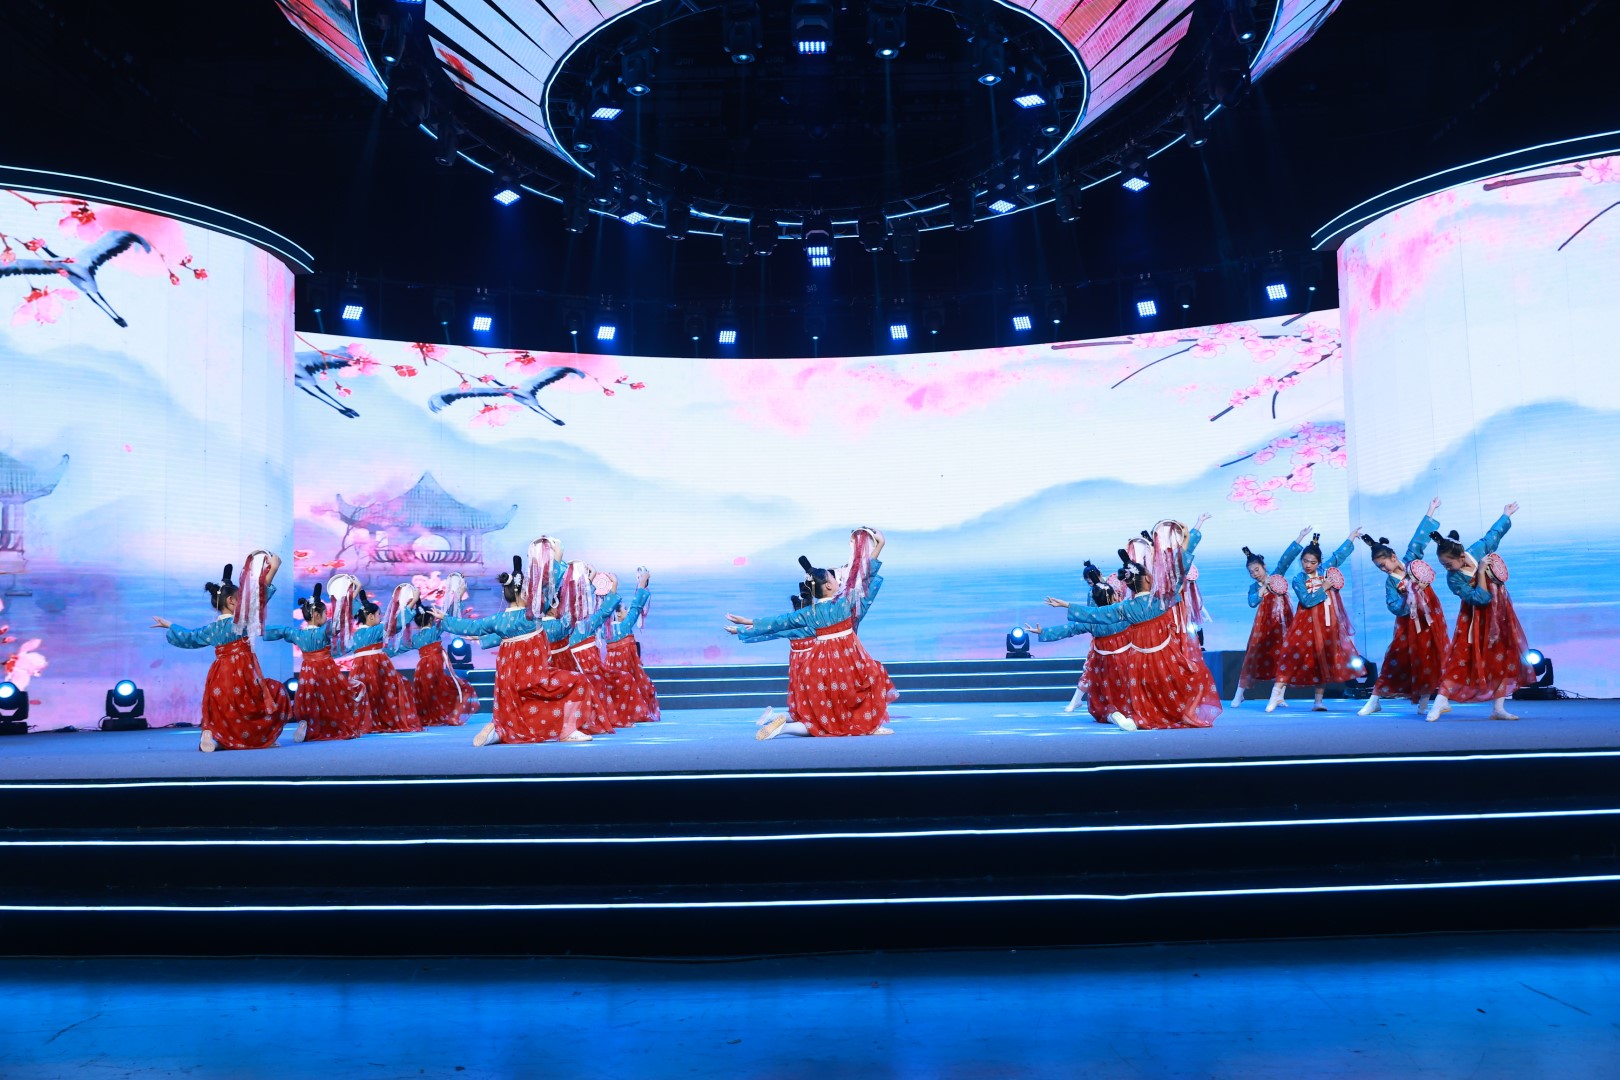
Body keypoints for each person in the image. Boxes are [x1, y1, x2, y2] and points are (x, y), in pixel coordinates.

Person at [1028, 541, 1220, 731]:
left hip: (1136, 661)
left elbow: (1090, 617)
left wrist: (1065, 607)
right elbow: (1178, 575)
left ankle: (1134, 716)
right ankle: (1167, 713)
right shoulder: (1160, 601)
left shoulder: (1124, 609)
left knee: (1137, 693)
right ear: (1147, 579)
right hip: (1162, 655)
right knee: (1172, 685)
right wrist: (1190, 540)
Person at [726, 529, 891, 740]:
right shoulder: (844, 602)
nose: (838, 579)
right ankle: (867, 725)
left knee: (821, 719)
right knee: (872, 678)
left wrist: (746, 623)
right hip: (846, 662)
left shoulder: (809, 613)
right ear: (829, 585)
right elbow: (863, 576)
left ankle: (783, 727)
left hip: (818, 666)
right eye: (834, 577)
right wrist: (879, 546)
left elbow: (778, 623)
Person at [437, 540, 599, 745]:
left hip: (510, 682)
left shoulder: (500, 620)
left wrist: (446, 619)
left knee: (521, 708)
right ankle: (568, 730)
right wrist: (557, 557)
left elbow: (470, 627)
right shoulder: (532, 615)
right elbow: (549, 586)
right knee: (578, 681)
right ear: (524, 594)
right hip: (536, 677)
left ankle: (499, 730)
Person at [151, 553, 291, 752]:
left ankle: (213, 735)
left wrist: (169, 625)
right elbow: (259, 597)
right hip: (242, 673)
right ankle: (261, 737)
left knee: (226, 709)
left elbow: (190, 637)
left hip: (219, 676)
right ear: (232, 601)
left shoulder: (212, 629)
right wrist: (273, 569)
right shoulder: (240, 621)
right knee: (266, 697)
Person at [1426, 503, 1533, 722]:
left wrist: (1505, 515)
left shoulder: (1477, 551)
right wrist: (1482, 572)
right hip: (1473, 620)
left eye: (1448, 563)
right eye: (1443, 565)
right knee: (1460, 658)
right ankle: (1440, 701)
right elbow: (1481, 598)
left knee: (1502, 656)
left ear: (1461, 555)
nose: (1446, 568)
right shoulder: (1454, 579)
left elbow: (1493, 535)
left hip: (1499, 614)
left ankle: (1498, 708)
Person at [1357, 498, 1450, 716]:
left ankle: (1425, 703)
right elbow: (1393, 606)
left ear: (1393, 557)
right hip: (1407, 625)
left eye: (1383, 564)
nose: (1383, 569)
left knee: (1430, 657)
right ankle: (1375, 699)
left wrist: (1431, 510)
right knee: (1394, 659)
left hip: (1430, 618)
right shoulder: (1391, 582)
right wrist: (1408, 597)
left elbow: (1419, 539)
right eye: (1379, 567)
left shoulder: (1411, 562)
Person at [1267, 528, 1363, 713]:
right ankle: (1276, 695)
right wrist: (1324, 588)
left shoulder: (1325, 572)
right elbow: (1307, 601)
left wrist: (1351, 537)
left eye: (1312, 562)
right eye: (1305, 561)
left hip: (1326, 623)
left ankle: (1318, 701)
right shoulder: (1298, 579)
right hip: (1304, 623)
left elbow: (1338, 556)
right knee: (1290, 655)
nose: (1308, 565)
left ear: (1319, 562)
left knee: (1322, 659)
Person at [263, 582, 370, 742]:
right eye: (325, 613)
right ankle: (333, 725)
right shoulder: (324, 631)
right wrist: (352, 594)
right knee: (336, 696)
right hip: (326, 671)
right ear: (317, 615)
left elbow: (279, 631)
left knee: (310, 699)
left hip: (308, 673)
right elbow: (342, 617)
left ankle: (305, 722)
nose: (327, 616)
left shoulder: (296, 633)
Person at [1232, 526, 1311, 707]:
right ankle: (1239, 694)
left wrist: (1300, 536)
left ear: (1264, 567)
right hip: (1263, 627)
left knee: (1284, 656)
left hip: (1283, 624)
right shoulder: (1254, 587)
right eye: (1251, 572)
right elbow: (1252, 602)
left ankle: (1280, 695)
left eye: (1257, 569)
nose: (1255, 574)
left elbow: (1286, 559)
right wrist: (1263, 588)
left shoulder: (1276, 576)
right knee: (1252, 657)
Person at [386, 589, 478, 727]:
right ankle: (453, 717)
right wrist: (458, 597)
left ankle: (429, 718)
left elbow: (397, 649)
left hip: (422, 671)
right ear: (431, 619)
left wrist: (379, 652)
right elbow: (447, 616)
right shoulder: (434, 631)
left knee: (427, 694)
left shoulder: (415, 638)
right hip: (435, 669)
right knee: (464, 688)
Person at [338, 586, 423, 733]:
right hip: (376, 667)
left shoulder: (356, 634)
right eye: (378, 615)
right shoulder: (376, 630)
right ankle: (383, 720)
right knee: (393, 688)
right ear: (370, 616)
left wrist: (356, 590)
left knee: (364, 693)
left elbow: (357, 608)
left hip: (359, 668)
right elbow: (396, 623)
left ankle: (366, 722)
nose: (380, 617)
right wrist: (413, 601)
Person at [600, 567, 660, 723]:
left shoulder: (605, 630)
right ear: (618, 613)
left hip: (612, 665)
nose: (627, 611)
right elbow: (636, 607)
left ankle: (618, 715)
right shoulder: (624, 626)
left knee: (616, 690)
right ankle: (632, 714)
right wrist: (641, 584)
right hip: (628, 666)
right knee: (639, 686)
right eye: (624, 609)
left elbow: (605, 611)